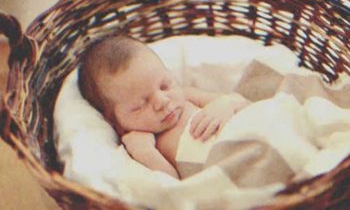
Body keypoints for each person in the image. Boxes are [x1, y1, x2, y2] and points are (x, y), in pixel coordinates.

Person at [78, 35, 250, 179]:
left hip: (247, 138)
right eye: (140, 105)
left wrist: (223, 104)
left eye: (165, 85)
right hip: (224, 173)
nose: (162, 101)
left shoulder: (187, 96)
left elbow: (244, 103)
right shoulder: (140, 145)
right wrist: (146, 153)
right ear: (117, 124)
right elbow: (171, 187)